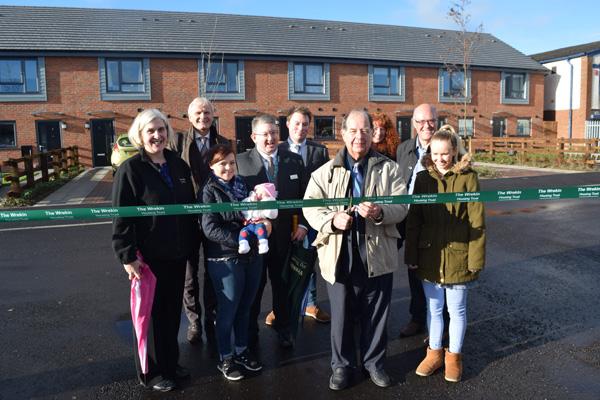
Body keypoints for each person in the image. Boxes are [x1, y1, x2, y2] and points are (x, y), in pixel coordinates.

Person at [303, 110, 407, 390]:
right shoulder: (324, 172)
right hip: (339, 255)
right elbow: (310, 206)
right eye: (353, 130)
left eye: (364, 130)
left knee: (376, 314)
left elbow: (403, 205)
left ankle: (374, 364)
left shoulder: (390, 169)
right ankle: (342, 366)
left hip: (377, 253)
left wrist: (379, 211)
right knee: (341, 316)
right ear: (343, 133)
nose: (358, 136)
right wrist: (332, 220)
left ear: (372, 133)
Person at [112, 109, 198, 392]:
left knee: (171, 314)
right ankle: (151, 373)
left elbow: (189, 209)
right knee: (148, 317)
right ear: (140, 134)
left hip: (177, 253)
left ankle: (170, 364)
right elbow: (122, 217)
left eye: (161, 130)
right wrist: (127, 255)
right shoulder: (131, 169)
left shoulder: (177, 165)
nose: (157, 136)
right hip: (147, 259)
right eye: (150, 131)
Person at [405, 126, 486, 383]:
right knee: (434, 309)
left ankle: (454, 357)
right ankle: (434, 353)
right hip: (430, 255)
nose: (440, 158)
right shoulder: (422, 179)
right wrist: (411, 253)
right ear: (430, 152)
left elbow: (477, 221)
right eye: (435, 153)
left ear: (454, 152)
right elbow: (414, 220)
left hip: (459, 256)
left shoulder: (468, 177)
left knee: (457, 310)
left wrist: (475, 259)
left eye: (445, 153)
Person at [237, 113, 308, 349]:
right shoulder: (240, 162)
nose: (270, 138)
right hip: (255, 238)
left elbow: (305, 197)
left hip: (286, 236)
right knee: (254, 287)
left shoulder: (294, 160)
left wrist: (303, 225)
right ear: (253, 136)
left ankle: (284, 327)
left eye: (274, 133)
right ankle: (249, 331)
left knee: (282, 284)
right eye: (265, 134)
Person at [201, 144, 265, 381]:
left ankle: (241, 350)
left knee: (245, 308)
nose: (228, 167)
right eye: (222, 163)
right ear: (212, 166)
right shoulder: (209, 190)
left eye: (230, 162)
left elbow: (256, 211)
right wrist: (238, 239)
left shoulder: (244, 185)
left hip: (252, 255)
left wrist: (264, 223)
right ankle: (225, 357)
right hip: (225, 258)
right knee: (228, 310)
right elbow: (210, 228)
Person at [178, 97, 230, 345]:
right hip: (187, 220)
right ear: (189, 117)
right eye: (198, 113)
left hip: (215, 217)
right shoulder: (177, 142)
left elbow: (231, 176)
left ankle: (211, 317)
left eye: (207, 112)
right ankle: (194, 321)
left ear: (213, 115)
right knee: (189, 276)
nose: (203, 117)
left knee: (213, 272)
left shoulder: (223, 143)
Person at [395, 103, 448, 338]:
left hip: (434, 220)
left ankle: (439, 322)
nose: (427, 125)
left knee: (437, 270)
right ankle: (417, 317)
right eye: (421, 121)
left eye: (431, 121)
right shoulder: (404, 149)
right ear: (413, 124)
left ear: (437, 121)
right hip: (408, 220)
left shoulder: (446, 147)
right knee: (413, 267)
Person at [278, 106, 331, 324]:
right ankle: (280, 306)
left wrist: (306, 223)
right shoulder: (278, 150)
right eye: (297, 123)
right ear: (288, 124)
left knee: (308, 261)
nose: (301, 128)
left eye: (305, 124)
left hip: (310, 216)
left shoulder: (320, 151)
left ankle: (310, 303)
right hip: (284, 216)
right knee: (283, 263)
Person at [239, 182, 278, 255]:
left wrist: (266, 203)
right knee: (243, 231)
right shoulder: (249, 199)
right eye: (257, 193)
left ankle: (263, 245)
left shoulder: (268, 202)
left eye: (262, 194)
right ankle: (243, 245)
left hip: (259, 223)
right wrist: (251, 201)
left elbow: (272, 215)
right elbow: (242, 208)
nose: (259, 196)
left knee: (261, 231)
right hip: (249, 224)